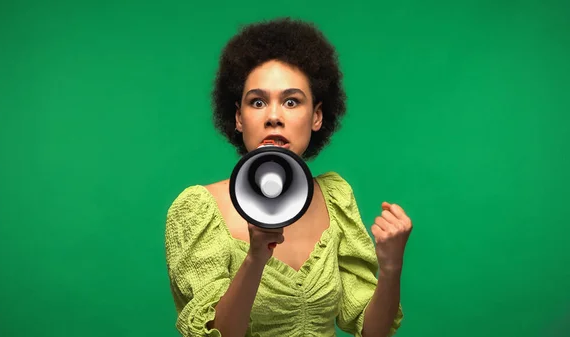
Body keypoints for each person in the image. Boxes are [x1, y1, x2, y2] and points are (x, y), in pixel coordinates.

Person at [165, 17, 413, 337]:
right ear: (239, 118)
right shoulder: (198, 210)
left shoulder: (335, 198)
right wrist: (256, 256)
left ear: (317, 116)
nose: (273, 117)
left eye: (291, 101)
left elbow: (372, 331)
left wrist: (391, 268)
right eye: (257, 102)